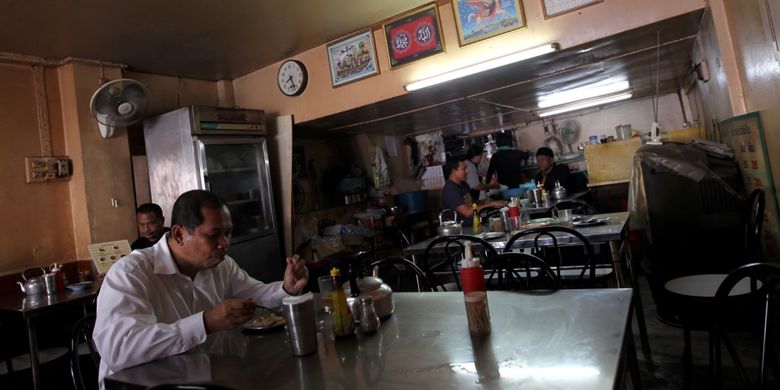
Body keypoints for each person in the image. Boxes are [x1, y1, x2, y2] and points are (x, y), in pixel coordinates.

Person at [93, 190, 309, 387]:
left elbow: (257, 295)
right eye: (213, 235)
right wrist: (205, 323)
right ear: (179, 234)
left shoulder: (220, 265)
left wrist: (286, 288)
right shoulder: (131, 273)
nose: (224, 243)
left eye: (228, 233)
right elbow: (119, 349)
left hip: (197, 377)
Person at [441, 157, 506, 227]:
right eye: (463, 169)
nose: (467, 171)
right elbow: (467, 212)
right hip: (461, 230)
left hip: (473, 224)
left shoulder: (464, 184)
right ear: (453, 171)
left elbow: (470, 202)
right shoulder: (450, 189)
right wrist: (491, 204)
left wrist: (484, 201)